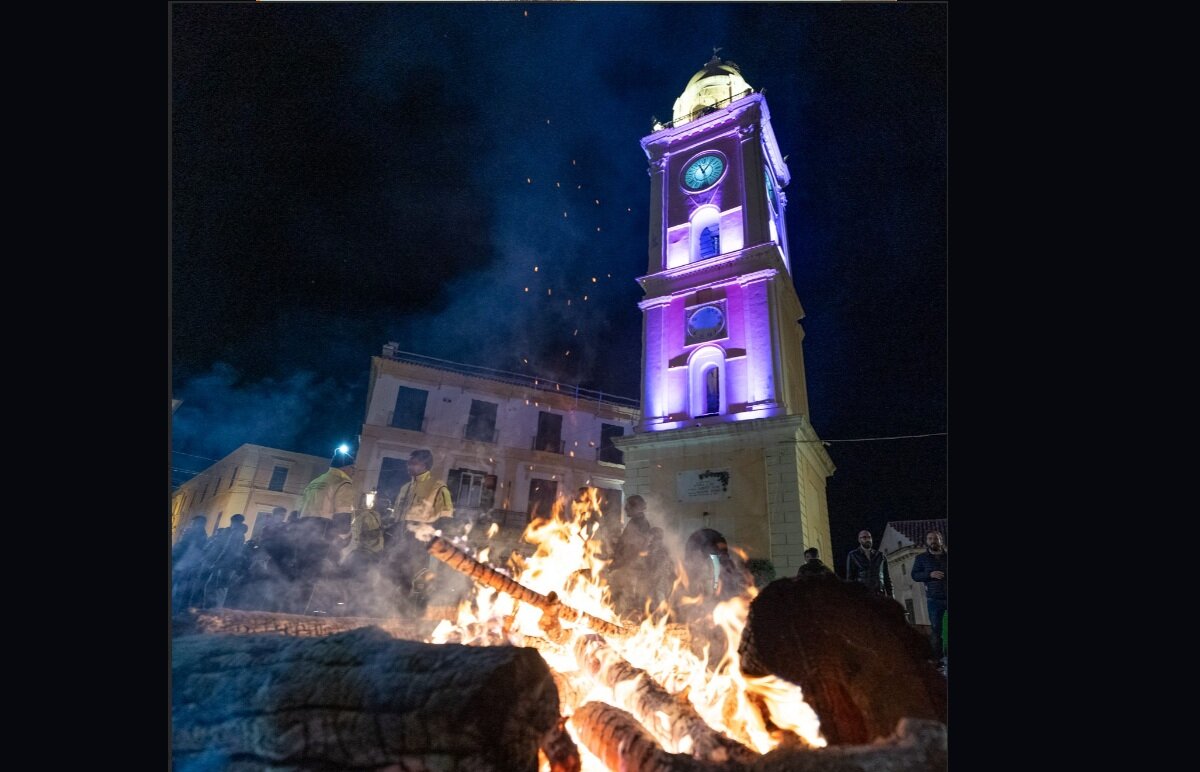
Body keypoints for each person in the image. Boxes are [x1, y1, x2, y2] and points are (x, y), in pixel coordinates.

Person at [390, 449, 454, 609]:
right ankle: (392, 606)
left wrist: (435, 541)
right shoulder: (405, 488)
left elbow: (446, 517)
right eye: (408, 462)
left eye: (413, 463)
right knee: (393, 573)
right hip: (399, 536)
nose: (408, 466)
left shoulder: (438, 487)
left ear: (425, 465)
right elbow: (397, 515)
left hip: (419, 539)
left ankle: (410, 610)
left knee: (413, 574)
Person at [911, 530, 948, 667]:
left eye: (936, 538)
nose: (933, 540)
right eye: (930, 538)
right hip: (934, 599)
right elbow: (915, 575)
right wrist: (929, 574)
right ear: (927, 541)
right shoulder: (921, 558)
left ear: (941, 540)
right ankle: (937, 660)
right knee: (936, 630)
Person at [298, 450, 358, 521]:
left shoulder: (315, 481)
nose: (354, 471)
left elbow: (300, 507)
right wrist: (343, 529)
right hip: (325, 526)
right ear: (344, 467)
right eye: (352, 467)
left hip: (303, 523)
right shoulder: (342, 483)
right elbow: (343, 514)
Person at [172, 516, 209, 612]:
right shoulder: (201, 535)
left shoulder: (195, 535)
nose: (191, 525)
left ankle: (176, 611)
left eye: (193, 523)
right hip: (186, 566)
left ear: (199, 523)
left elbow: (182, 547)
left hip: (185, 566)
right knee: (181, 590)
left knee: (179, 590)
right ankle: (178, 611)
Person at [845, 529, 893, 598]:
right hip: (863, 596)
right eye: (864, 537)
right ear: (859, 540)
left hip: (879, 594)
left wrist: (891, 598)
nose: (868, 539)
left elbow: (887, 579)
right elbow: (850, 579)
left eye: (869, 537)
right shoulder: (853, 555)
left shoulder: (880, 556)